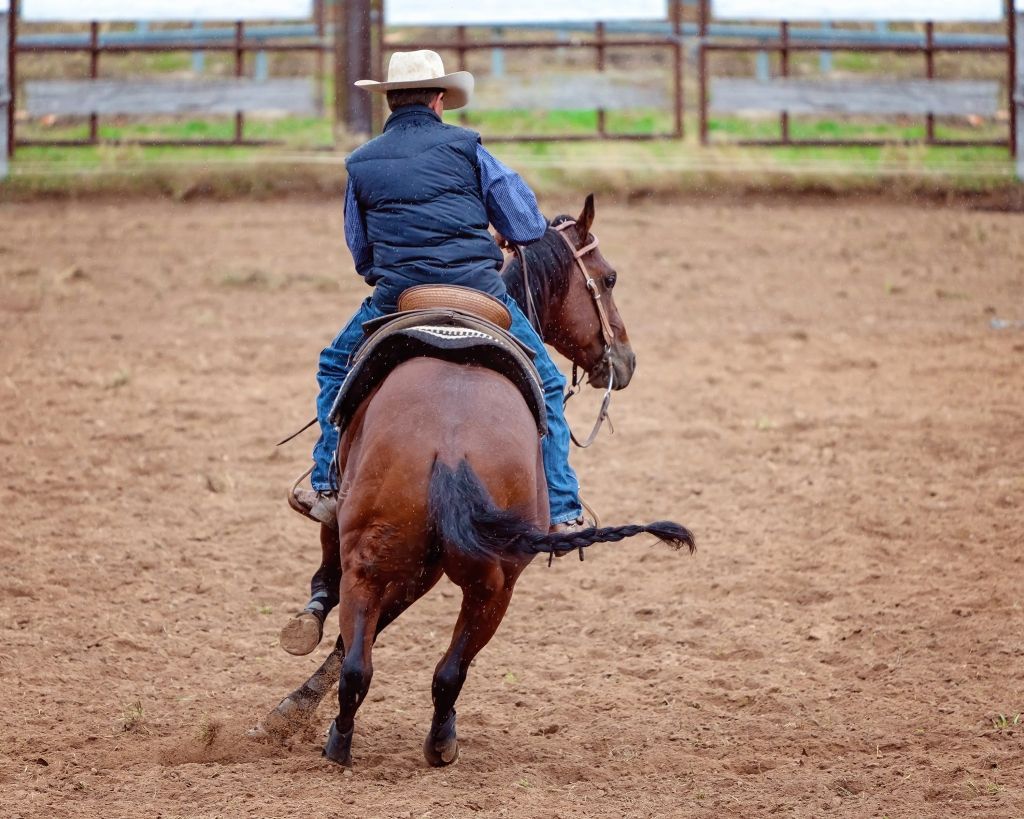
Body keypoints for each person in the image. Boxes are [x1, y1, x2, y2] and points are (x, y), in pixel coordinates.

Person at [290, 49, 586, 539]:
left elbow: (361, 254)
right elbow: (528, 225)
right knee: (549, 383)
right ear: (439, 99)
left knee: (333, 366)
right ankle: (562, 503)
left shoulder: (361, 163)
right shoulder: (469, 148)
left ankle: (324, 482)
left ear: (390, 101)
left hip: (400, 299)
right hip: (479, 292)